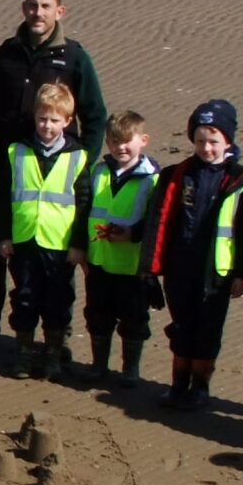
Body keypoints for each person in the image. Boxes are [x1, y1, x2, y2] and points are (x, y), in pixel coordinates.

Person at [0, 0, 107, 354]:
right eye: (31, 5)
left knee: (56, 261)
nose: (37, 13)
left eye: (45, 7)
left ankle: (55, 343)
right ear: (23, 8)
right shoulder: (4, 55)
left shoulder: (75, 58)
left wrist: (82, 165)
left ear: (59, 12)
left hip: (56, 178)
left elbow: (95, 117)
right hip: (5, 175)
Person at [143, 99, 243, 411]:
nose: (206, 148)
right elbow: (159, 222)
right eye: (200, 140)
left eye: (213, 141)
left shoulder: (240, 180)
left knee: (208, 331)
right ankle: (178, 384)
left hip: (216, 275)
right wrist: (150, 270)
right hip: (180, 268)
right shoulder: (176, 175)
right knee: (181, 327)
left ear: (228, 142)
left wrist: (242, 274)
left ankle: (200, 387)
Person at [1, 82, 89, 381]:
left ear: (66, 121)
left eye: (54, 120)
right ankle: (24, 353)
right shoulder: (17, 151)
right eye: (42, 118)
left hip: (59, 245)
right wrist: (4, 235)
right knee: (24, 297)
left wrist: (79, 245)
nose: (47, 126)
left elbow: (85, 205)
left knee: (58, 300)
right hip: (24, 240)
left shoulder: (78, 156)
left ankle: (52, 353)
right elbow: (3, 197)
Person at [78, 110, 156, 386]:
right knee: (98, 314)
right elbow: (85, 210)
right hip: (99, 261)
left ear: (143, 140)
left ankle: (130, 369)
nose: (120, 147)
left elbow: (157, 222)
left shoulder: (152, 179)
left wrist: (132, 234)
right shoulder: (98, 172)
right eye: (113, 141)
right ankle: (99, 365)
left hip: (132, 265)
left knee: (134, 317)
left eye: (126, 140)